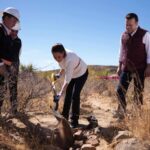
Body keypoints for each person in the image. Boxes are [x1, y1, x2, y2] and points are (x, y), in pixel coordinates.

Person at [115, 13, 150, 119]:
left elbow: (149, 51)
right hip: (126, 68)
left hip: (140, 68)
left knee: (138, 93)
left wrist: (149, 66)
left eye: (130, 25)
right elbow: (121, 51)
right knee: (119, 91)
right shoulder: (123, 35)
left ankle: (137, 116)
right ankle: (122, 112)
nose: (128, 27)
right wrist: (119, 65)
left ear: (137, 23)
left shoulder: (145, 34)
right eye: (126, 25)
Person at [51, 44, 88, 128]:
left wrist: (60, 93)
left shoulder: (70, 59)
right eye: (55, 57)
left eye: (59, 57)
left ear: (63, 53)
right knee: (68, 95)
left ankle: (74, 121)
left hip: (81, 73)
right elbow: (63, 66)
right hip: (73, 73)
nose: (57, 59)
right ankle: (64, 117)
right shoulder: (60, 55)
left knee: (75, 95)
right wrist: (59, 75)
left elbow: (67, 80)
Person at [0, 7, 20, 115]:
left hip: (7, 69)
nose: (15, 22)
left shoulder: (7, 34)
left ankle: (14, 111)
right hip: (3, 69)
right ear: (6, 17)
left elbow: (11, 56)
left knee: (3, 92)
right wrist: (1, 63)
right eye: (14, 19)